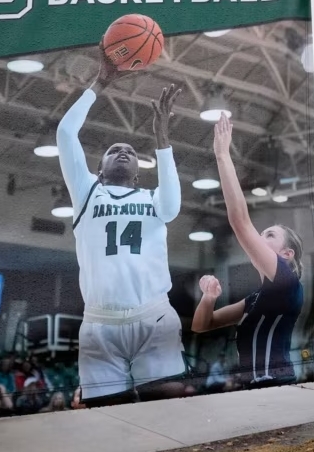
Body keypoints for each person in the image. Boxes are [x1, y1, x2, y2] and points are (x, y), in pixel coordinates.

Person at [57, 42, 187, 407]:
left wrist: (163, 139)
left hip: (154, 315)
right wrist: (98, 84)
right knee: (106, 425)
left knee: (168, 412)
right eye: (113, 150)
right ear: (98, 170)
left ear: (139, 175)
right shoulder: (86, 193)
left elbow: (174, 206)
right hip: (99, 324)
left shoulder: (153, 200)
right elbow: (66, 135)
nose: (123, 151)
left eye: (130, 150)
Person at [190, 114, 304, 387]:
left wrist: (222, 155)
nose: (260, 237)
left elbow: (240, 221)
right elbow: (201, 325)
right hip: (252, 389)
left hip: (276, 386)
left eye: (270, 235)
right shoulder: (255, 298)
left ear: (286, 254)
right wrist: (208, 297)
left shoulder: (286, 281)